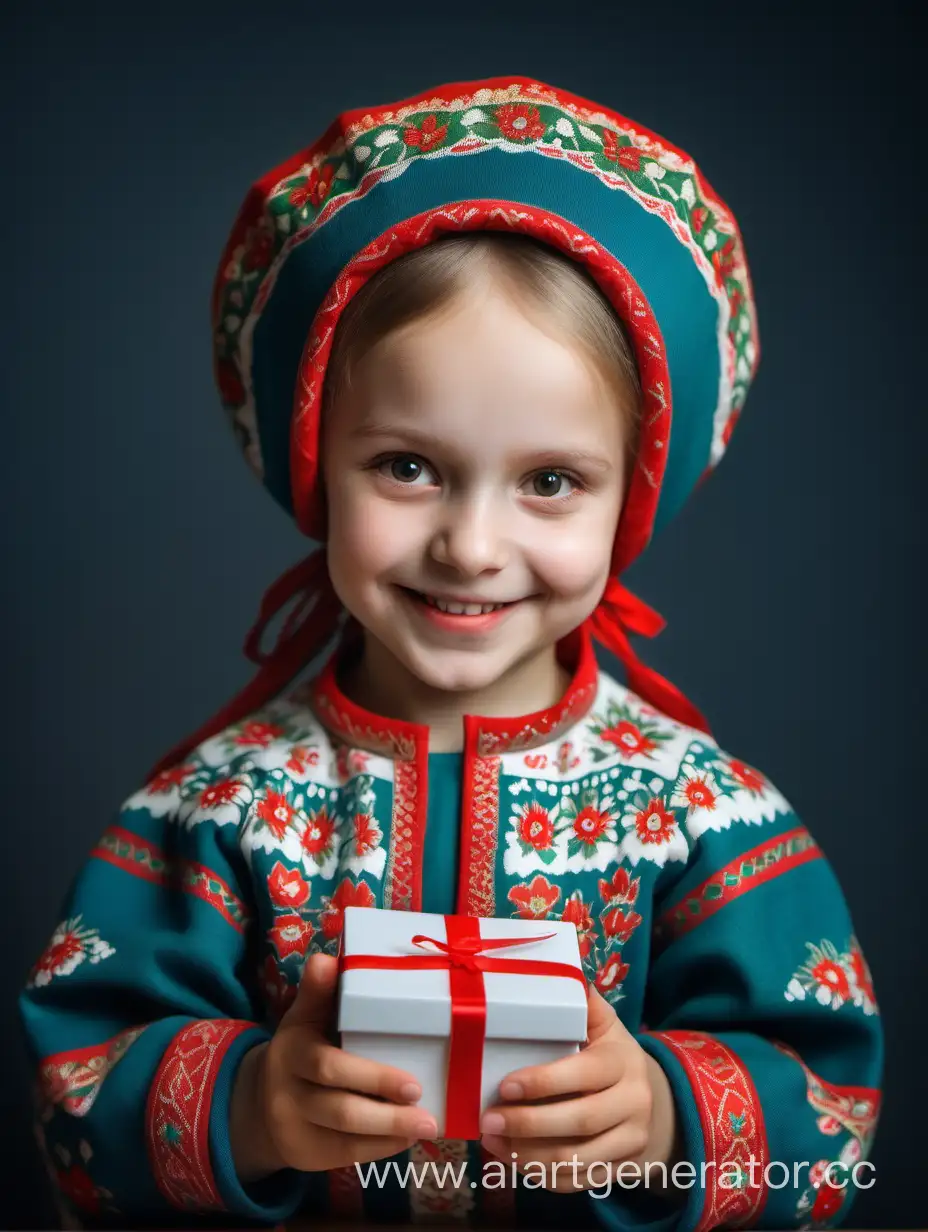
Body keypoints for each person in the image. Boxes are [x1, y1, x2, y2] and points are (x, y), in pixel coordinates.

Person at [19, 75, 883, 1232]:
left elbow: (834, 1105)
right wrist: (252, 1107)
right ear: (315, 457)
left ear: (632, 499)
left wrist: (667, 1114)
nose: (470, 544)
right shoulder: (213, 809)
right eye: (407, 465)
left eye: (549, 481)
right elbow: (74, 1092)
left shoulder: (702, 813)